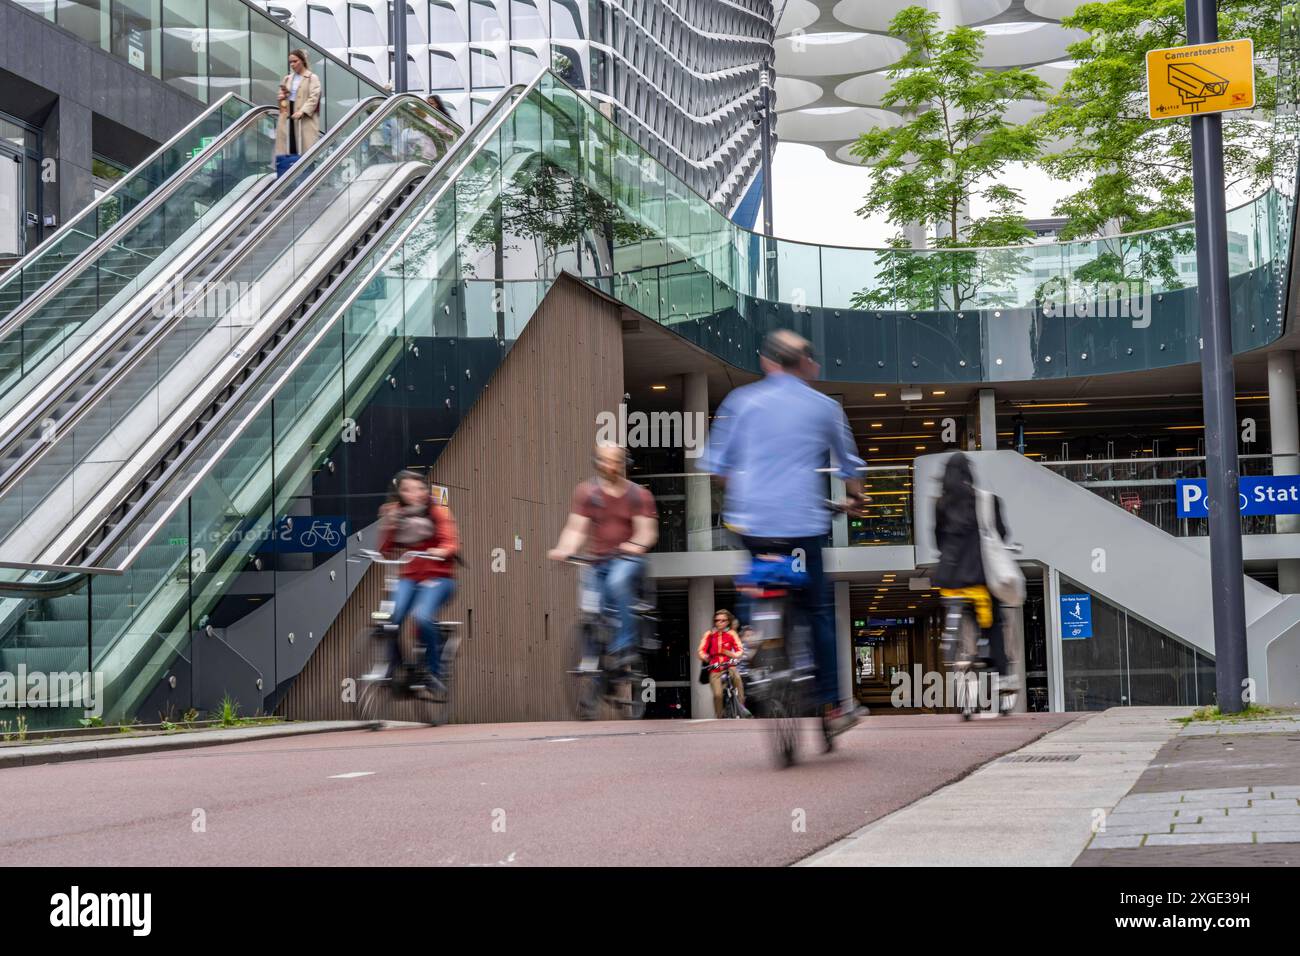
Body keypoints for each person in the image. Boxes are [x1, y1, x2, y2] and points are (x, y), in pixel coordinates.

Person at [703, 329, 866, 739]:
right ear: (807, 365)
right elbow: (850, 467)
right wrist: (855, 499)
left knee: (756, 570)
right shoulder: (823, 407)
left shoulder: (740, 402)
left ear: (767, 362)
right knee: (818, 610)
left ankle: (756, 634)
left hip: (751, 525)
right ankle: (832, 705)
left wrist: (744, 487)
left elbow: (718, 467)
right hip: (801, 526)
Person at [549, 444, 658, 667]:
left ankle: (625, 645)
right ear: (597, 462)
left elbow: (647, 531)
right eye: (605, 461)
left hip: (628, 560)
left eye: (615, 461)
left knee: (617, 581)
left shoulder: (638, 495)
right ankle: (593, 662)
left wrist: (635, 544)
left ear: (623, 463)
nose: (610, 466)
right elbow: (575, 528)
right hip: (598, 561)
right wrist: (565, 549)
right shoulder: (587, 492)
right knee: (590, 607)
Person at [933, 452, 1015, 686]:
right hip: (978, 578)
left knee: (961, 609)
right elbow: (1001, 534)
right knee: (993, 622)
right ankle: (1003, 675)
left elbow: (937, 539)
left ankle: (955, 640)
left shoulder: (941, 504)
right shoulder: (988, 501)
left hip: (949, 582)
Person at [377, 470, 459, 696]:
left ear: (425, 489)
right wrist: (389, 524)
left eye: (417, 488)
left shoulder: (438, 512)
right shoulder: (397, 513)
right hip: (409, 578)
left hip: (438, 577)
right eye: (406, 490)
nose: (413, 494)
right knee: (390, 620)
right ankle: (396, 669)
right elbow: (385, 550)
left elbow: (451, 543)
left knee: (422, 616)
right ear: (400, 493)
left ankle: (434, 672)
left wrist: (440, 551)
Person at [698, 610, 751, 718]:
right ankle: (719, 716)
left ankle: (741, 707)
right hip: (715, 666)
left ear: (728, 622)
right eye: (717, 620)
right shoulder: (709, 634)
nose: (719, 623)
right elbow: (701, 650)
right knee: (717, 695)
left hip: (729, 664)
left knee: (737, 678)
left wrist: (733, 654)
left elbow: (739, 649)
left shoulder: (732, 634)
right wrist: (705, 657)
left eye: (723, 620)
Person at [275, 49, 322, 160]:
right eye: (290, 62)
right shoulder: (287, 78)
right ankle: (289, 173)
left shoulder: (312, 78)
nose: (292, 64)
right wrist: (282, 98)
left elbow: (314, 97)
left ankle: (308, 174)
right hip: (288, 115)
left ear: (303, 61)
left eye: (295, 61)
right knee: (288, 148)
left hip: (304, 117)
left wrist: (303, 111)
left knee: (305, 149)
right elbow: (282, 101)